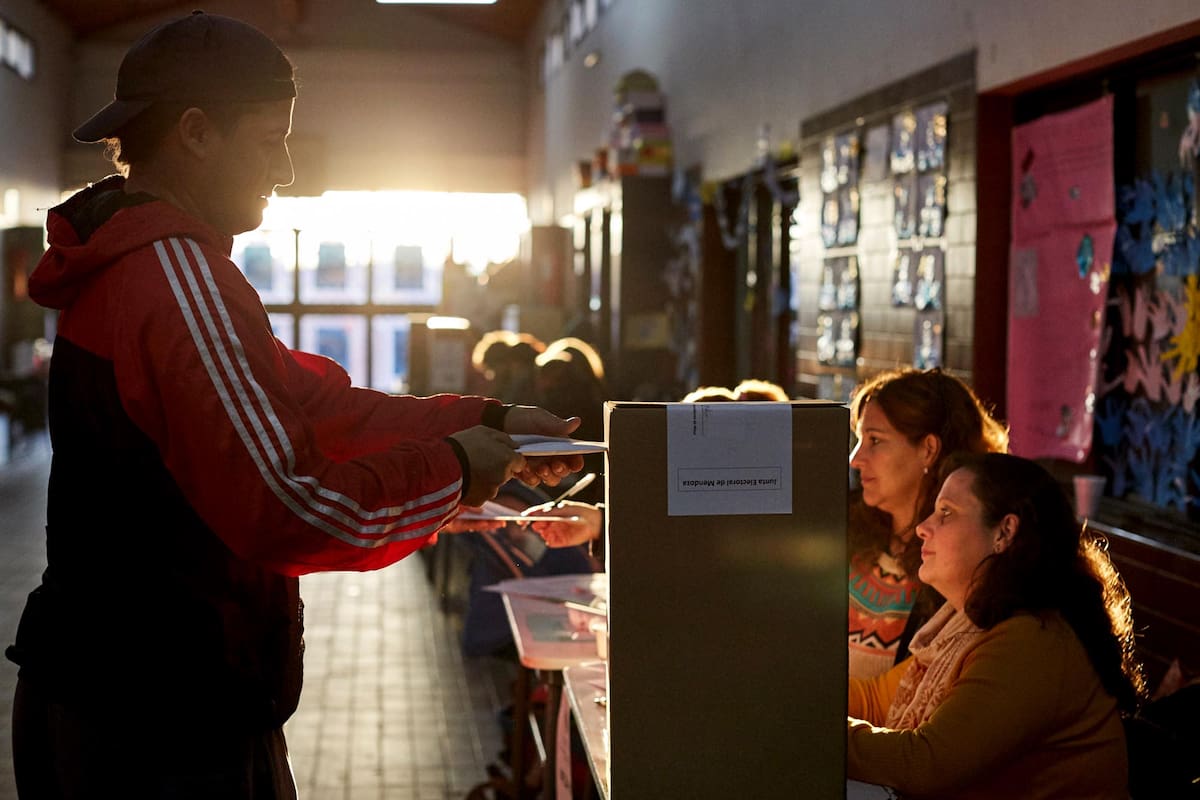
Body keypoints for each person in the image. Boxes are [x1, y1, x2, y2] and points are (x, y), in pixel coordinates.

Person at [5, 13, 581, 799]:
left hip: (134, 700)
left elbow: (310, 406)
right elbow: (291, 508)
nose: (284, 169)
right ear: (197, 132)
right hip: (158, 727)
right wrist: (454, 471)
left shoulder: (144, 266)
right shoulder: (173, 281)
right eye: (270, 138)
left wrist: (489, 426)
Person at [847, 453, 1145, 798]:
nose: (922, 527)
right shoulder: (971, 624)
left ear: (1004, 532)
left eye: (946, 513)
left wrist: (809, 727)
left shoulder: (1032, 641)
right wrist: (797, 695)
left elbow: (927, 762)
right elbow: (874, 700)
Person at [847, 367, 1008, 679]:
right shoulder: (845, 528)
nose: (855, 458)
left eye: (875, 441)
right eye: (858, 439)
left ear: (928, 450)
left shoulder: (962, 563)